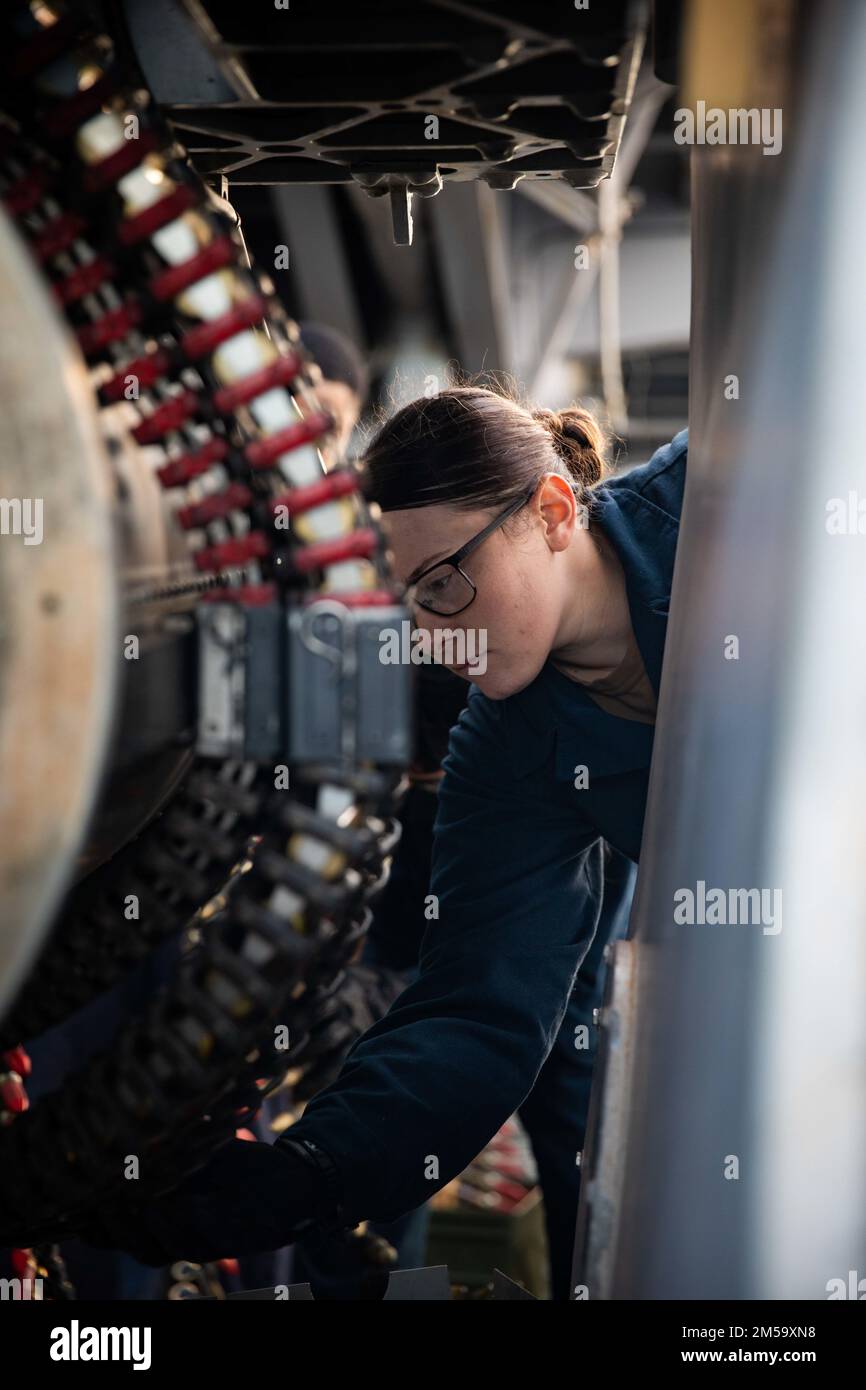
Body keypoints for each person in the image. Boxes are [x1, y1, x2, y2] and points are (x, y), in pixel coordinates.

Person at [83, 386, 688, 1297]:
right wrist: (312, 1172)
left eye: (444, 585)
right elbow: (479, 1011)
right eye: (411, 610)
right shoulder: (506, 745)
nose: (437, 638)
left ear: (554, 512)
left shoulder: (724, 501)